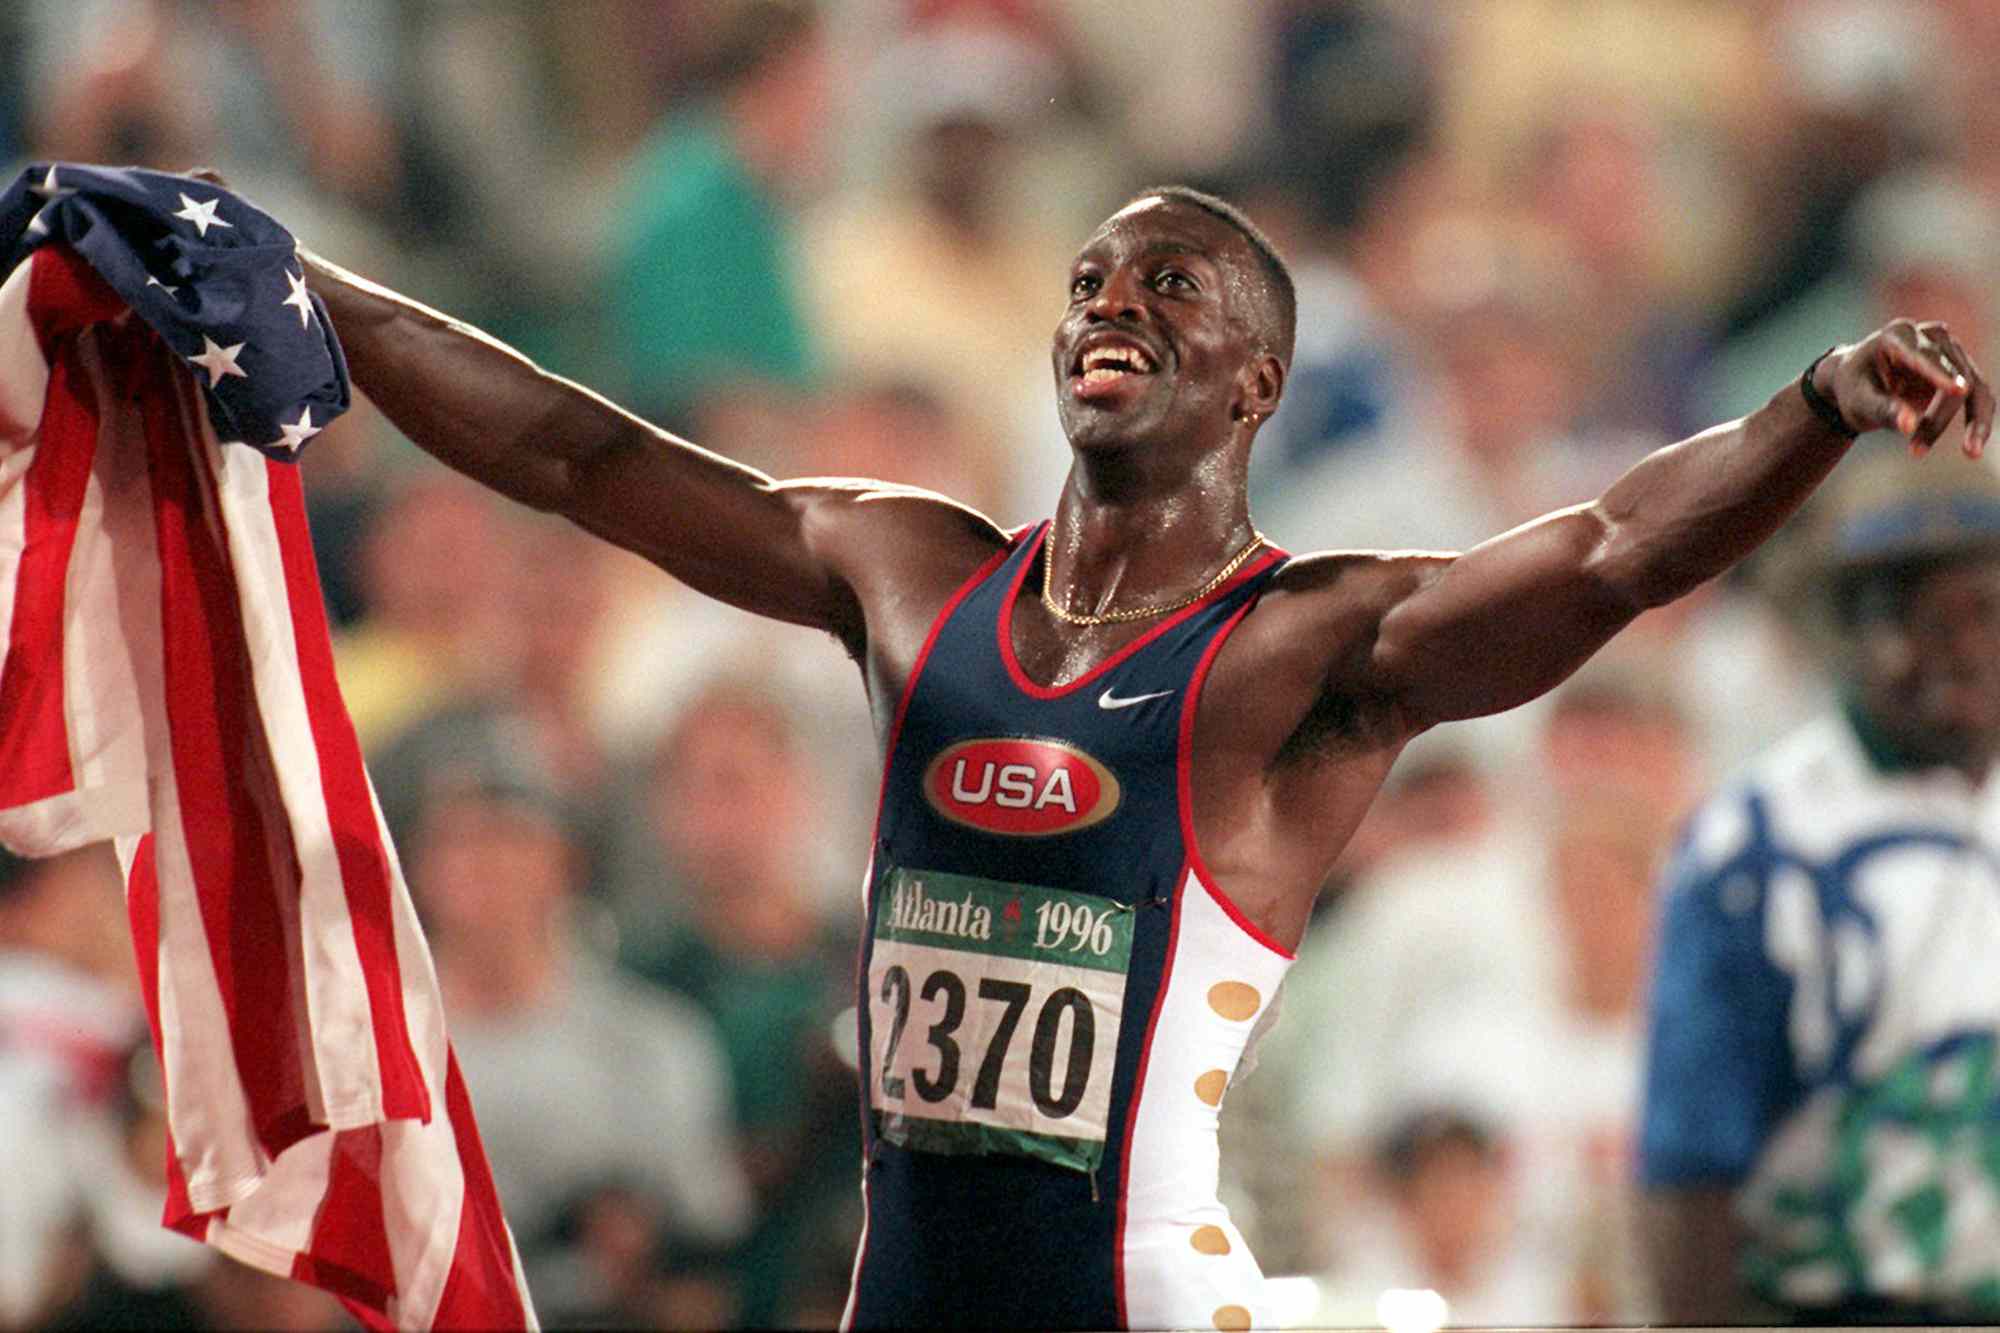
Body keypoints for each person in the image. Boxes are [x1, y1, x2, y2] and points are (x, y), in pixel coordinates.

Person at [291, 175, 1990, 1329]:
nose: (1112, 302)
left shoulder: (1307, 645)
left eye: (1167, 286)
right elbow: (582, 458)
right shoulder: (910, 572)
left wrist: (1816, 403)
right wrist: (310, 291)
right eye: (1090, 281)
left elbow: (1614, 545)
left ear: (1255, 381)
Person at [1639, 445, 2000, 1325]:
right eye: (1912, 616)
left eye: (1986, 611)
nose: (1958, 652)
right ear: (1839, 627)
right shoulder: (1758, 847)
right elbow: (1692, 1173)